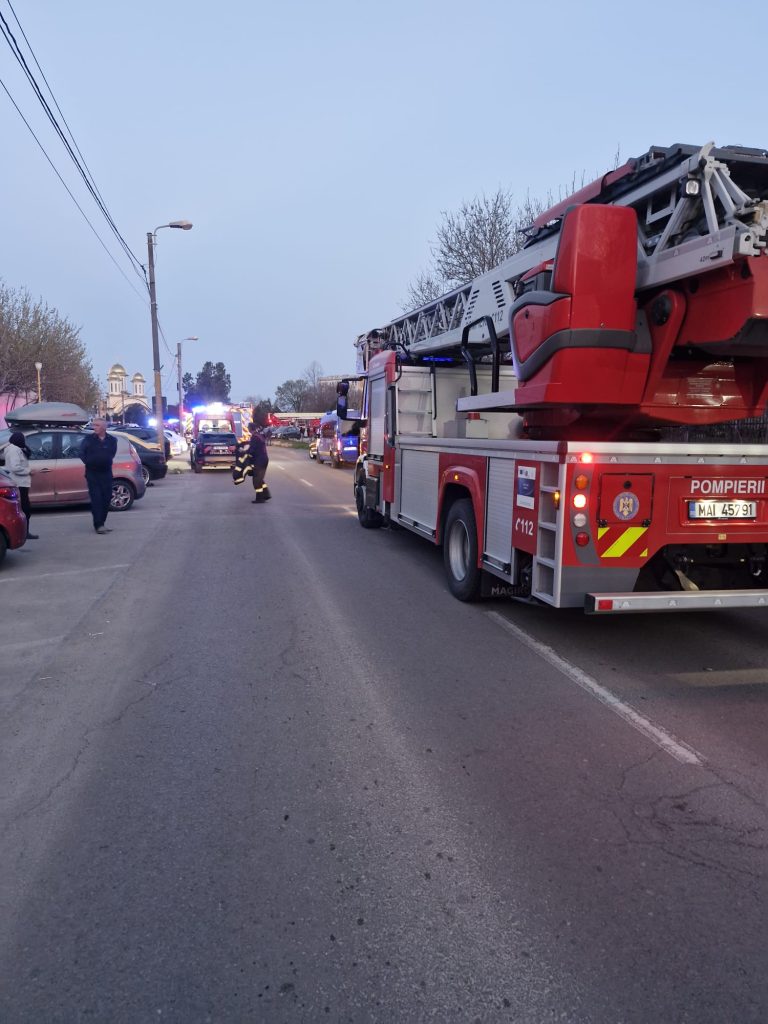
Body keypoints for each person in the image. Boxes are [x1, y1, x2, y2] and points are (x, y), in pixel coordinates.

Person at [80, 417, 117, 534]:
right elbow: (81, 453)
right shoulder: (88, 439)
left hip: (106, 473)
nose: (94, 427)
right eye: (93, 425)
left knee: (106, 499)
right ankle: (98, 525)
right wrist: (90, 462)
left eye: (97, 425)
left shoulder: (112, 440)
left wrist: (105, 460)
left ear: (104, 427)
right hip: (93, 474)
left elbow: (112, 453)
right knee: (96, 499)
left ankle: (103, 522)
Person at [4, 431, 38, 539]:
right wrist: (28, 471)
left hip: (20, 483)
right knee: (25, 509)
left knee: (24, 508)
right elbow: (15, 467)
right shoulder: (14, 450)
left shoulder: (15, 449)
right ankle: (24, 533)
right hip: (19, 483)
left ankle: (24, 532)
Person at [247, 422, 271, 503]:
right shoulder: (259, 435)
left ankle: (260, 498)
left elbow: (252, 450)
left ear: (250, 428)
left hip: (259, 461)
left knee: (256, 481)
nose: (247, 428)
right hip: (264, 459)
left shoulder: (254, 437)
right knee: (260, 479)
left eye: (248, 427)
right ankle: (266, 494)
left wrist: (246, 454)